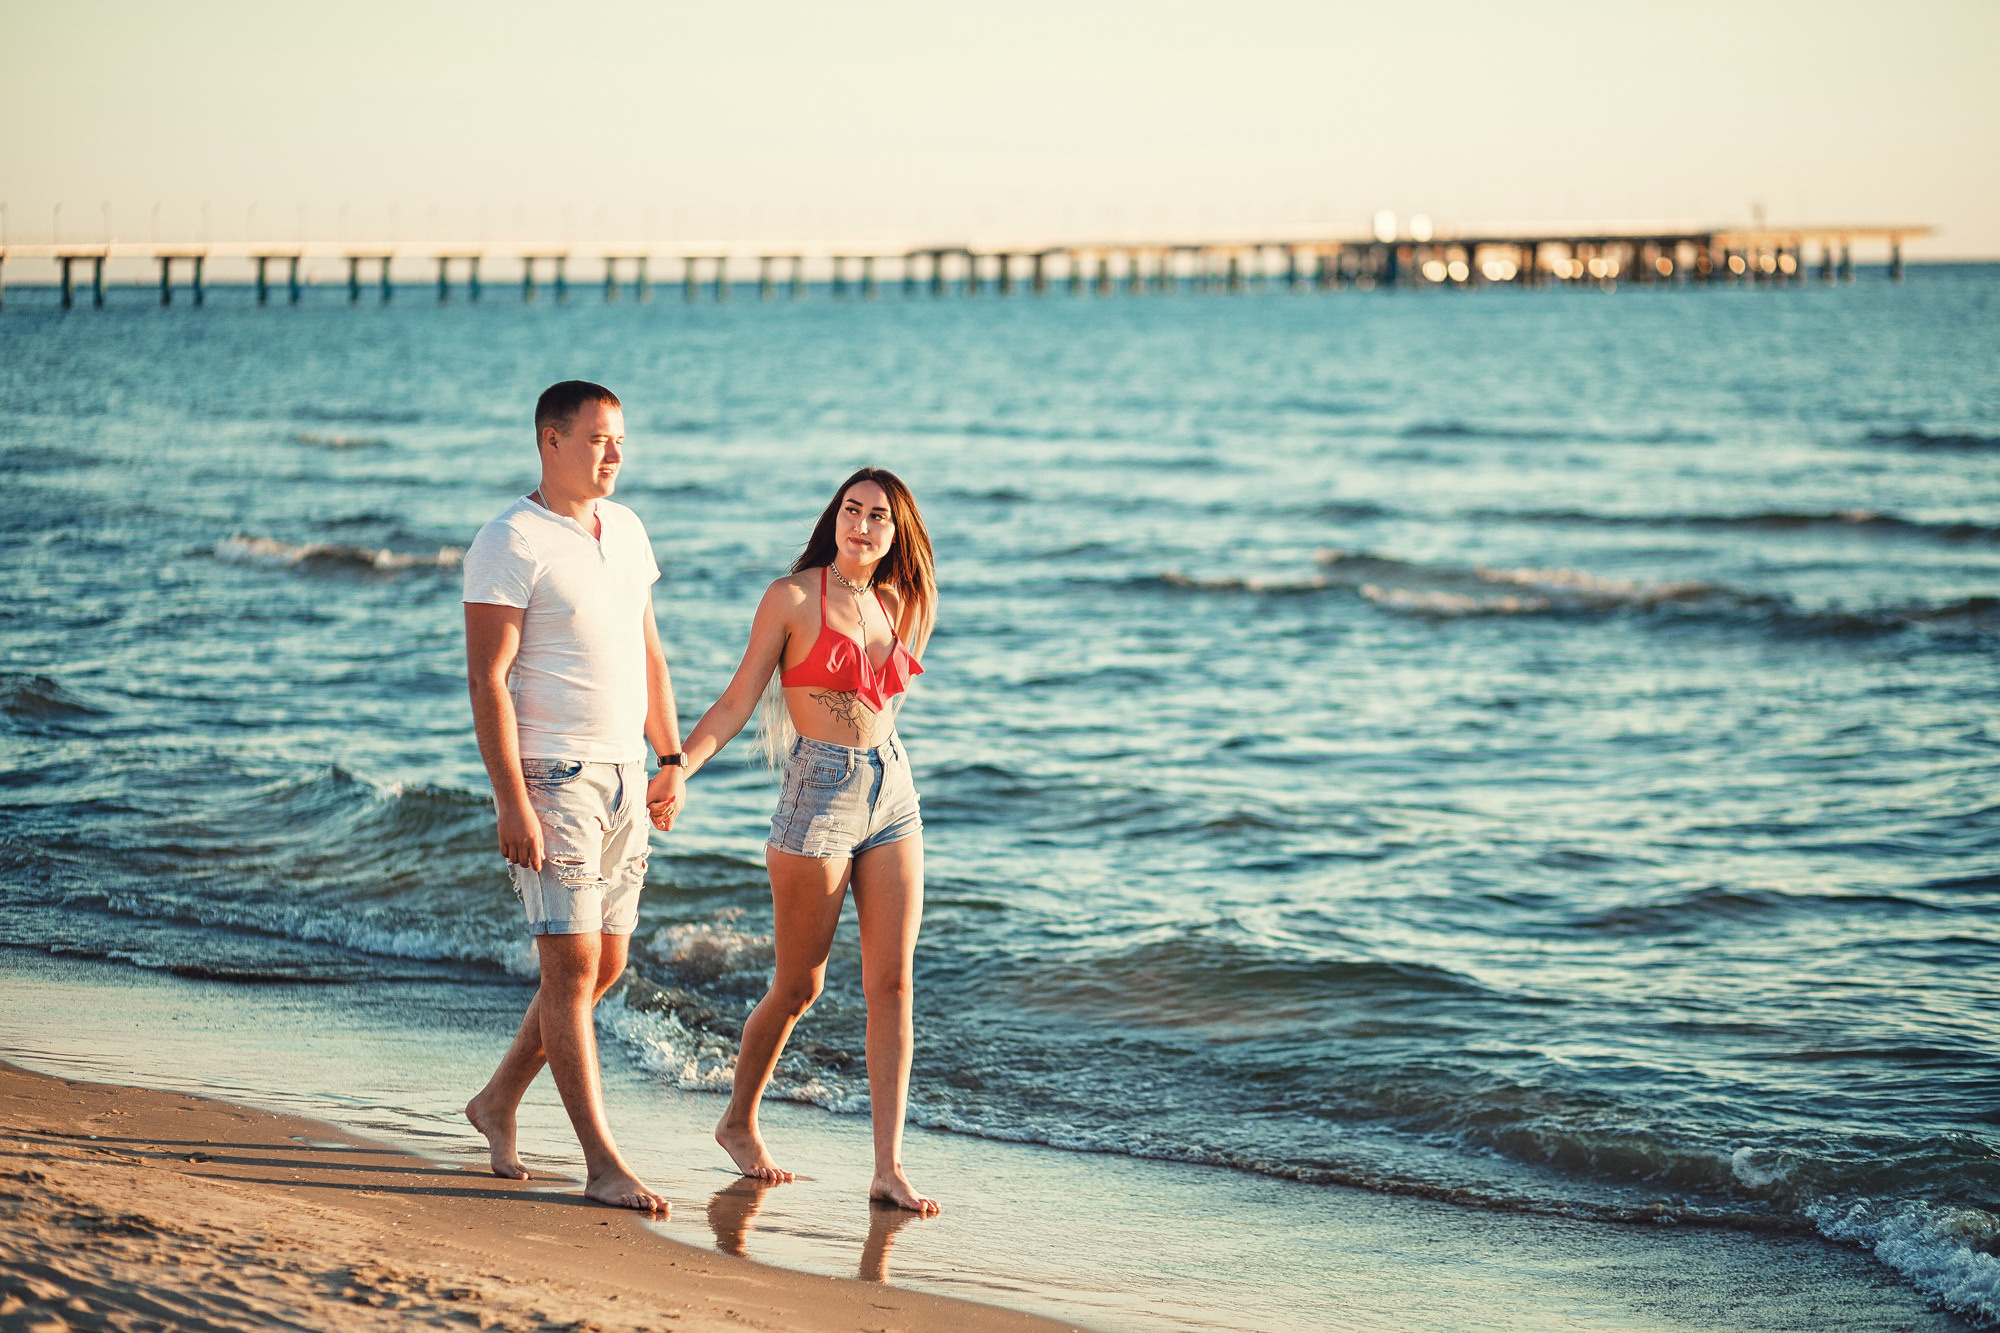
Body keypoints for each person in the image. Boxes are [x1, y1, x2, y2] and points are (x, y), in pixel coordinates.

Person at [671, 467, 940, 1214]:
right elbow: (737, 698)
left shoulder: (901, 602)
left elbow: (882, 706)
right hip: (817, 794)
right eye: (851, 510)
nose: (862, 524)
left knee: (893, 983)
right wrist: (680, 765)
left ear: (896, 533)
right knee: (800, 985)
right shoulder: (791, 598)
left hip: (893, 790)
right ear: (835, 519)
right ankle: (737, 1119)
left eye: (878, 516)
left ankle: (888, 1167)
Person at [459, 380, 687, 1213]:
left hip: (628, 772)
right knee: (572, 962)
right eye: (599, 439)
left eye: (620, 438)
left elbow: (650, 654)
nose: (616, 454)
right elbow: (488, 678)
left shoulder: (625, 530)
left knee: (607, 964)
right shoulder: (509, 539)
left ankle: (495, 1102)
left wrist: (671, 756)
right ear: (551, 441)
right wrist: (509, 797)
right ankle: (602, 1163)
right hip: (554, 777)